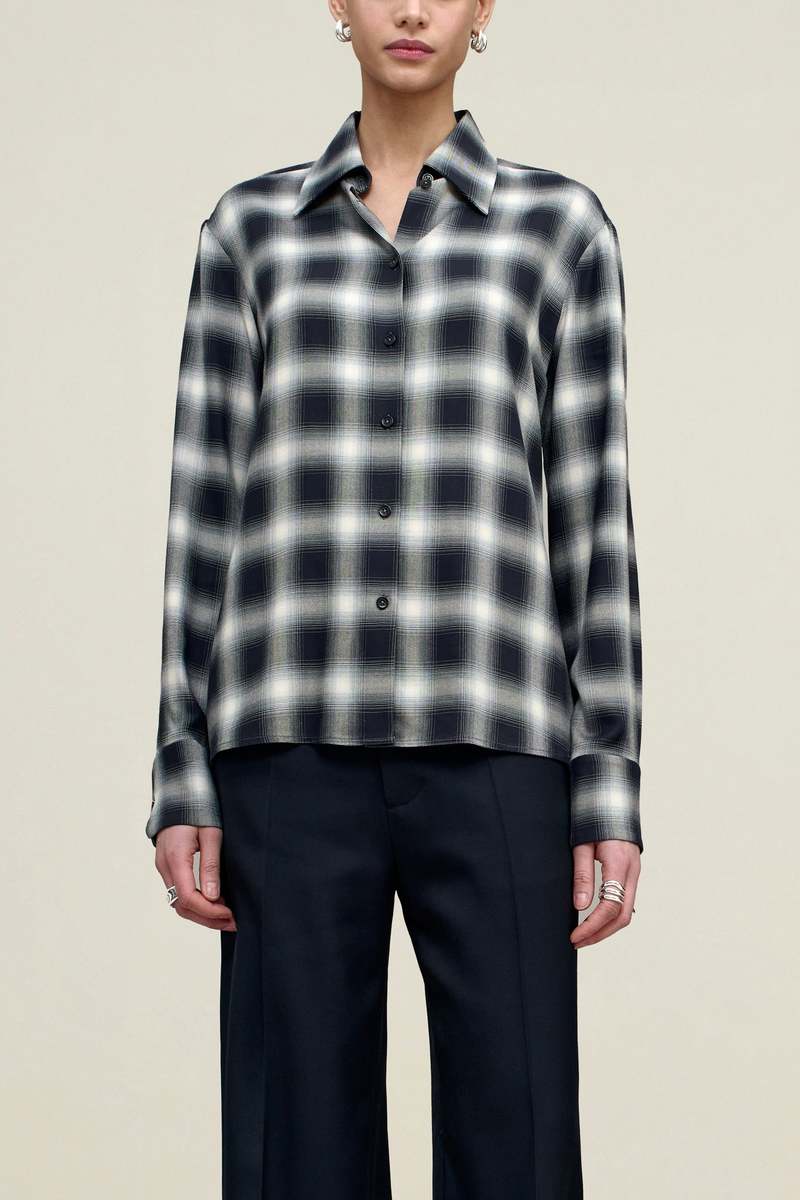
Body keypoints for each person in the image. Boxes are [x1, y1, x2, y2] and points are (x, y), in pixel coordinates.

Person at [146, 2, 644, 1196]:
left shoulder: (559, 229)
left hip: (497, 747)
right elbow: (202, 510)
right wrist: (182, 769)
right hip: (284, 752)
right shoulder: (248, 231)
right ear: (335, 2)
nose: (411, 10)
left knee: (518, 1141)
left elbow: (592, 520)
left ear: (483, 9)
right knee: (293, 1151)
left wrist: (607, 783)